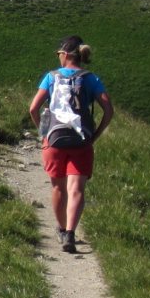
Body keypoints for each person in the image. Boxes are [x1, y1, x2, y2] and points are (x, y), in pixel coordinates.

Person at [28, 36, 113, 253]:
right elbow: (108, 110)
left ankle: (61, 229)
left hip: (54, 140)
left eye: (59, 54)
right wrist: (95, 135)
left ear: (65, 55)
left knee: (58, 187)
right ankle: (71, 233)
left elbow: (33, 109)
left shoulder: (51, 77)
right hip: (82, 140)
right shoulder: (91, 79)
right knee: (77, 189)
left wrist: (44, 134)